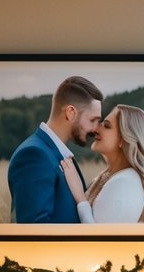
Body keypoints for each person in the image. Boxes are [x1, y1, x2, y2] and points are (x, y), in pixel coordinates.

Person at [8, 75, 103, 224]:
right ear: (71, 112)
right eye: (92, 120)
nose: (96, 129)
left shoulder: (57, 153)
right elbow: (34, 233)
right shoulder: (34, 155)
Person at [60, 104, 144, 224]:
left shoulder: (125, 183)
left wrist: (80, 197)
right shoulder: (111, 175)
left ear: (123, 140)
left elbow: (98, 240)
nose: (96, 129)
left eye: (107, 126)